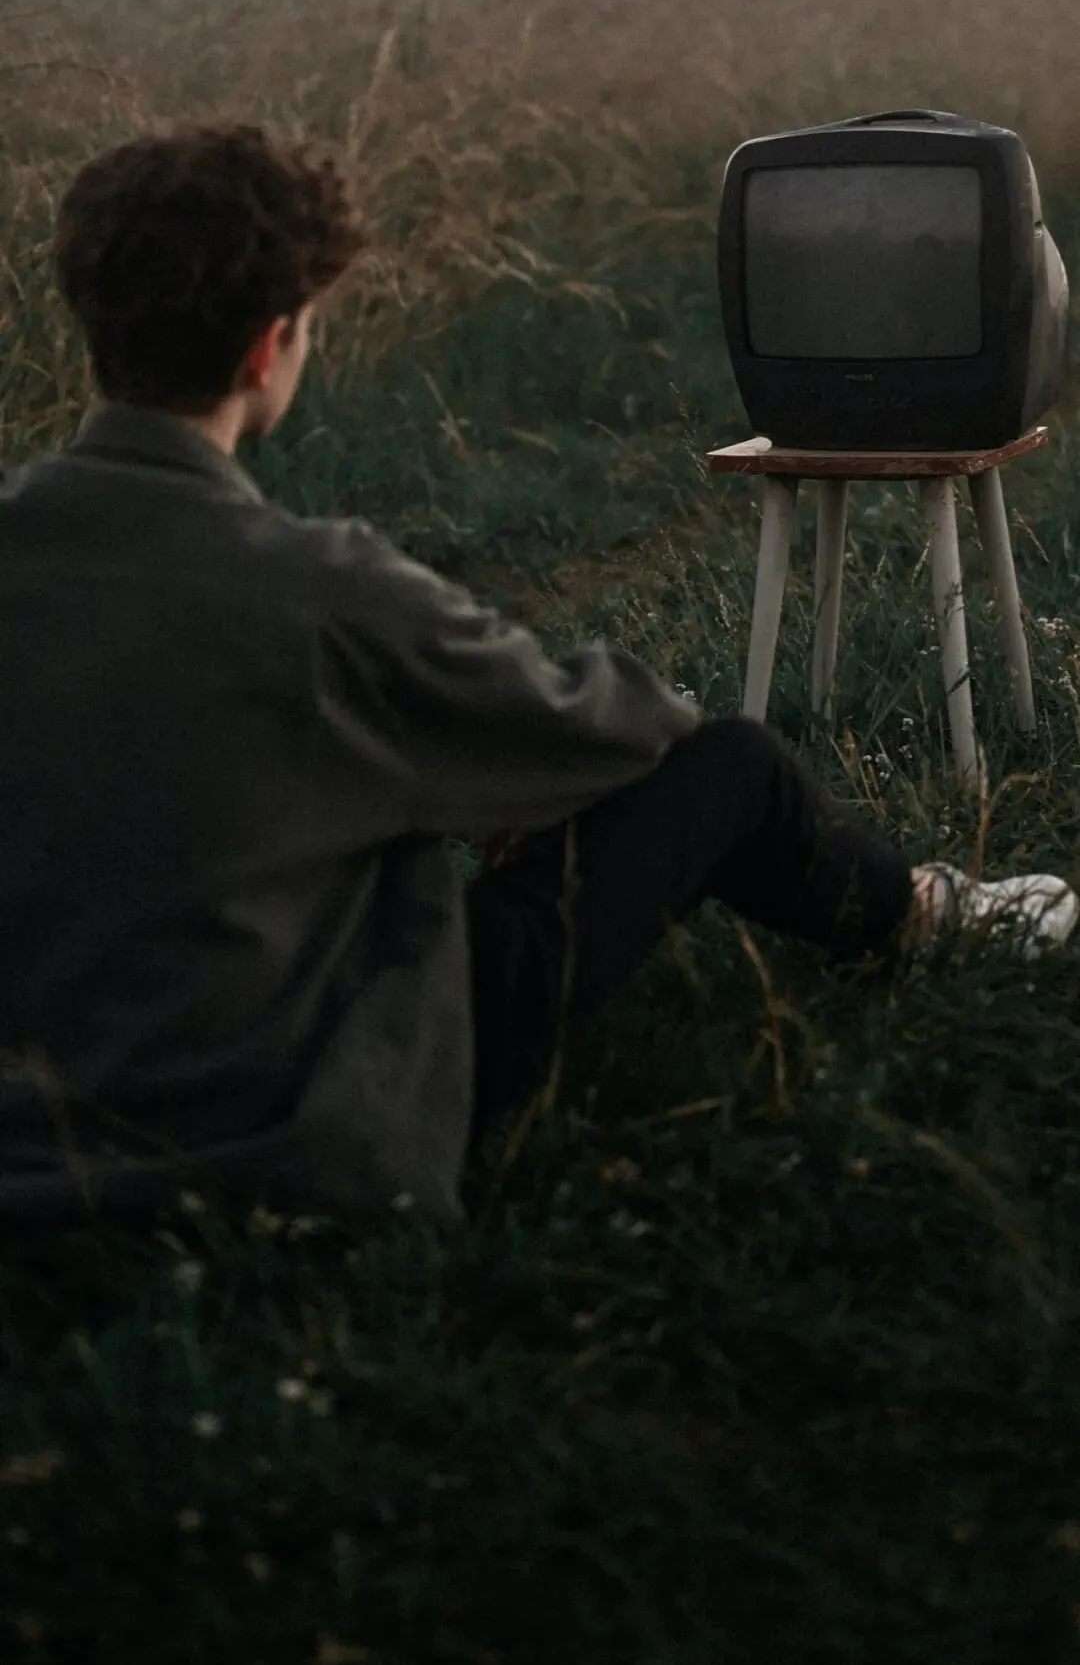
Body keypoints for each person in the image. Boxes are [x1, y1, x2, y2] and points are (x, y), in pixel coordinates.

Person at [0, 123, 1073, 1231]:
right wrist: (534, 785)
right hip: (297, 1114)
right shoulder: (322, 591)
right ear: (268, 350)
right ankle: (925, 916)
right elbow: (617, 733)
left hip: (33, 1117)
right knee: (732, 768)